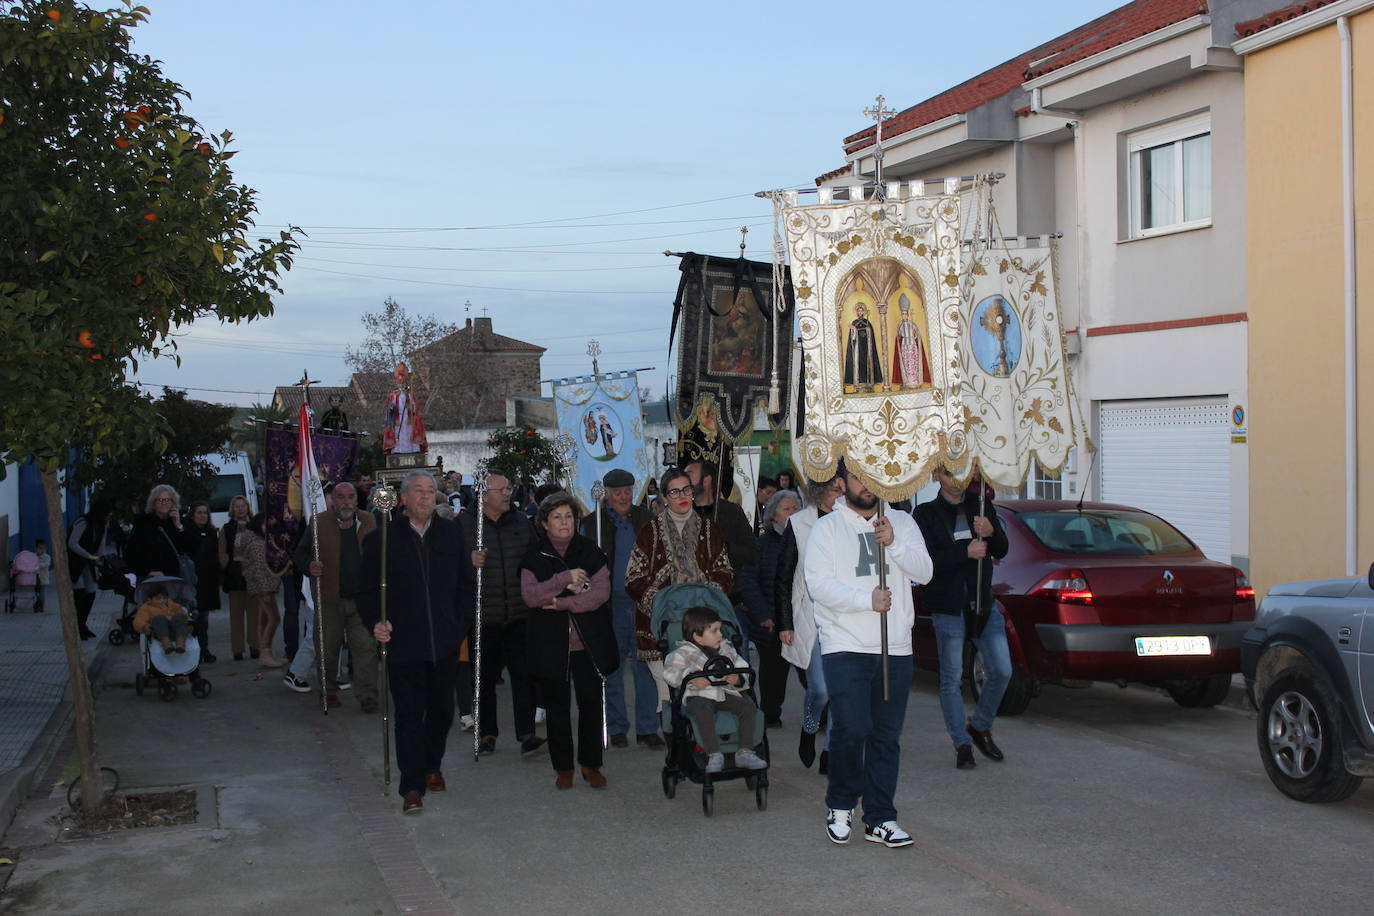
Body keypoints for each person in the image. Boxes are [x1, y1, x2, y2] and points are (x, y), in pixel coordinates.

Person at [803, 461, 932, 848]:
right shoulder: (827, 528)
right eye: (858, 475)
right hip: (845, 644)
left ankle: (881, 817)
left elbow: (925, 572)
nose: (867, 484)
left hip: (895, 646)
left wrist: (894, 543)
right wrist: (865, 600)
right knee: (852, 727)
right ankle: (841, 804)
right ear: (843, 483)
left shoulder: (902, 523)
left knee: (886, 735)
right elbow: (818, 585)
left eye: (873, 474)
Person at [359, 470, 475, 815]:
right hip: (404, 642)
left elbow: (465, 584)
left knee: (441, 711)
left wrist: (459, 623)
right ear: (404, 498)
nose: (425, 496)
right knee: (409, 714)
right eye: (418, 491)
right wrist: (375, 622)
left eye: (430, 490)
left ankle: (431, 765)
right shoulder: (382, 540)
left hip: (444, 640)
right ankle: (411, 786)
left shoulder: (451, 533)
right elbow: (366, 592)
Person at [913, 469, 1011, 769]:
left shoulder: (980, 505)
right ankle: (962, 744)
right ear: (937, 476)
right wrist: (963, 553)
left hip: (982, 602)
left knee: (1001, 670)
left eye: (961, 472)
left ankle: (979, 726)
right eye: (949, 473)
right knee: (951, 678)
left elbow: (1002, 549)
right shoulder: (925, 514)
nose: (956, 479)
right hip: (948, 607)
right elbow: (925, 563)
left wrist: (992, 531)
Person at [522, 492, 618, 789]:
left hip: (587, 641)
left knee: (591, 703)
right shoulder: (534, 556)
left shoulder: (590, 551)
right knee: (557, 707)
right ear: (544, 523)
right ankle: (563, 767)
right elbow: (531, 596)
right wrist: (564, 579)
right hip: (550, 643)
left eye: (568, 516)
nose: (564, 522)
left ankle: (591, 764)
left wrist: (563, 603)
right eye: (556, 517)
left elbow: (600, 594)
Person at [625, 468, 733, 698]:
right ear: (664, 498)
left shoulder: (710, 529)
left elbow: (724, 572)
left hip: (704, 627)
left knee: (706, 696)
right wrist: (662, 601)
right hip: (660, 628)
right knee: (668, 698)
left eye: (686, 489)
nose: (682, 496)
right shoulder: (649, 532)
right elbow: (633, 578)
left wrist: (704, 596)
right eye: (674, 492)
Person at [461, 468, 543, 756]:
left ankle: (527, 733)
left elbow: (535, 558)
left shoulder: (520, 521)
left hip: (519, 613)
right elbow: (449, 567)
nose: (509, 494)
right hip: (483, 616)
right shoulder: (464, 525)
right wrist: (468, 561)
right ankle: (487, 733)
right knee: (483, 678)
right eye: (502, 490)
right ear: (484, 495)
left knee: (524, 676)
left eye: (508, 488)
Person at [580, 469, 659, 749]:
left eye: (627, 491)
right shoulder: (593, 524)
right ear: (606, 494)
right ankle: (616, 726)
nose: (624, 497)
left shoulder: (646, 519)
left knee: (645, 666)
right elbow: (584, 562)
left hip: (642, 604)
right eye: (617, 493)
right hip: (609, 605)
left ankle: (648, 728)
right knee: (611, 667)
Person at [776, 473, 844, 770]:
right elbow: (783, 576)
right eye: (834, 489)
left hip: (845, 615)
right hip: (811, 614)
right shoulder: (799, 523)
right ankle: (809, 727)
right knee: (820, 689)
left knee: (841, 689)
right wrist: (785, 622)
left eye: (842, 489)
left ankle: (831, 749)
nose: (840, 494)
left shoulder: (851, 520)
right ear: (818, 492)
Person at [293, 481, 379, 711]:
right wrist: (309, 565)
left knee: (366, 649)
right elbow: (300, 553)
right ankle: (328, 690)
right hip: (329, 599)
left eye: (350, 497)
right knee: (327, 650)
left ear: (357, 500)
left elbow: (380, 552)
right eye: (340, 497)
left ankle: (368, 695)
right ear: (332, 500)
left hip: (361, 601)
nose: (346, 502)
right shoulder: (319, 523)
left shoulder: (369, 521)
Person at [661, 606, 767, 774]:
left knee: (748, 707)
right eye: (714, 631)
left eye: (720, 630)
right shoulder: (683, 653)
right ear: (697, 636)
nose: (720, 635)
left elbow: (742, 666)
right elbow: (670, 673)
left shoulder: (727, 650)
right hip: (698, 695)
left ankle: (745, 751)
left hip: (724, 693)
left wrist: (738, 679)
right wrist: (691, 677)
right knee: (702, 710)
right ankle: (714, 754)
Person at [739, 488, 800, 727]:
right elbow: (749, 582)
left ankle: (818, 717)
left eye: (796, 508)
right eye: (787, 509)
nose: (793, 513)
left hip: (801, 617)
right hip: (771, 620)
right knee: (773, 672)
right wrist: (763, 614)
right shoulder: (762, 545)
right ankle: (770, 713)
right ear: (773, 515)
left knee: (811, 675)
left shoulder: (808, 541)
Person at [238, 514, 286, 669]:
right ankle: (265, 653)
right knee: (274, 619)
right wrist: (265, 591)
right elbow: (259, 570)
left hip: (263, 587)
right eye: (266, 525)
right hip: (263, 588)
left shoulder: (258, 541)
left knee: (265, 619)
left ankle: (266, 653)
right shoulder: (258, 545)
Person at [67, 499, 119, 640]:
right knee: (79, 594)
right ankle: (77, 627)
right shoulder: (83, 522)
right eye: (107, 513)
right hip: (76, 563)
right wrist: (88, 555)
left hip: (88, 564)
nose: (109, 516)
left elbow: (100, 548)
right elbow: (72, 543)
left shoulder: (101, 525)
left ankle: (83, 624)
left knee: (90, 593)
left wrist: (101, 558)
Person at [125, 484, 194, 584]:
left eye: (168, 500)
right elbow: (131, 554)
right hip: (151, 580)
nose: (164, 503)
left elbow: (190, 548)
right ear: (153, 503)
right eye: (160, 500)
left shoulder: (179, 521)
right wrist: (148, 572)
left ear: (173, 503)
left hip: (175, 579)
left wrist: (179, 526)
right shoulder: (143, 523)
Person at [218, 495, 258, 661]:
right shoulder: (226, 529)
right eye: (237, 506)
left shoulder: (255, 526)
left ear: (248, 508)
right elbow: (222, 552)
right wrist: (226, 565)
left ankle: (255, 647)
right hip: (234, 577)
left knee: (255, 615)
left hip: (253, 576)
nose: (240, 509)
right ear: (232, 509)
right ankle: (237, 649)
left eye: (243, 506)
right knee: (236, 616)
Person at [185, 501, 221, 663]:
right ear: (192, 515)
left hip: (207, 581)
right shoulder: (187, 533)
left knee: (203, 619)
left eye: (205, 513)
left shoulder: (212, 532)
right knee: (192, 618)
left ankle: (204, 650)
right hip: (191, 581)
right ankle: (194, 652)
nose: (202, 516)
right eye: (199, 513)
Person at [133, 581, 190, 654]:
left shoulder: (172, 605)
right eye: (158, 598)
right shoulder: (146, 608)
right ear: (149, 599)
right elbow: (138, 620)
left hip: (176, 631)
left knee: (179, 616)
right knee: (159, 618)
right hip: (159, 632)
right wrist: (144, 626)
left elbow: (184, 615)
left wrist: (190, 622)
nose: (162, 600)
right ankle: (167, 644)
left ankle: (180, 644)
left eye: (164, 598)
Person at [383, 362, 427, 455]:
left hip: (409, 419)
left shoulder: (410, 394)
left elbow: (415, 408)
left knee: (409, 433)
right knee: (399, 435)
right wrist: (392, 408)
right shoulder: (393, 395)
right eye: (400, 383)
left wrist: (411, 407)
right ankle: (398, 450)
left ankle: (412, 449)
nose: (401, 385)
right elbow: (390, 408)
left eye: (403, 383)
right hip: (398, 419)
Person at [844, 302, 884, 392]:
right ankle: (858, 385)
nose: (860, 312)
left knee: (867, 364)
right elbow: (852, 338)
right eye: (859, 311)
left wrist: (868, 330)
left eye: (862, 311)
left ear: (864, 312)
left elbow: (871, 335)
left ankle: (869, 384)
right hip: (858, 349)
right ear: (857, 312)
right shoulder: (854, 323)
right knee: (858, 365)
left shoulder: (867, 323)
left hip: (867, 348)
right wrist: (854, 330)